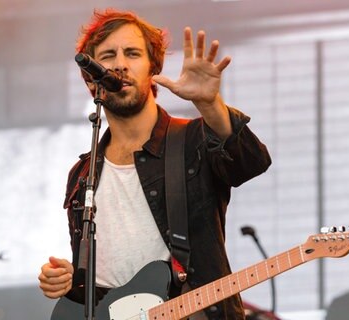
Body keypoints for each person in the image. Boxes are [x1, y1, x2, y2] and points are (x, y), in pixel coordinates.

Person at [37, 8, 272, 319]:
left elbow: (251, 162)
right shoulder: (82, 176)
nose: (119, 64)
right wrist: (68, 281)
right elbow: (96, 287)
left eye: (132, 53)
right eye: (107, 55)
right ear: (92, 82)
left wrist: (209, 104)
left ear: (153, 69)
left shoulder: (192, 140)